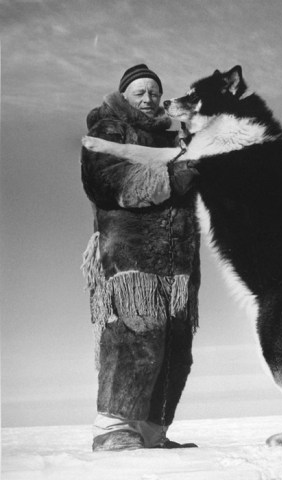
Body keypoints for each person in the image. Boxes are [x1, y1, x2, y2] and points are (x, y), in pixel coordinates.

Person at [80, 64, 200, 451]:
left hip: (178, 264)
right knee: (137, 332)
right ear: (125, 96)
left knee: (177, 347)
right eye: (139, 92)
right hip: (132, 259)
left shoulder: (178, 139)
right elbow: (113, 183)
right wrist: (178, 173)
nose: (148, 99)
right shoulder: (108, 131)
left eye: (154, 92)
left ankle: (151, 431)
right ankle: (113, 429)